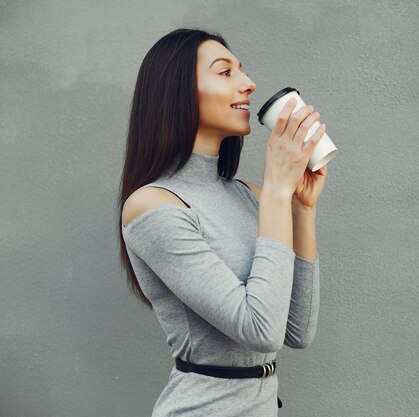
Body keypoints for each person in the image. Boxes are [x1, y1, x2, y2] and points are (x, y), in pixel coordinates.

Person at [117, 27, 328, 417]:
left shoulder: (252, 195)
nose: (249, 84)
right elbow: (260, 329)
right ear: (176, 93)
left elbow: (297, 331)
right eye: (225, 72)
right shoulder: (152, 206)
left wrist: (301, 208)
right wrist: (279, 195)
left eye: (242, 71)